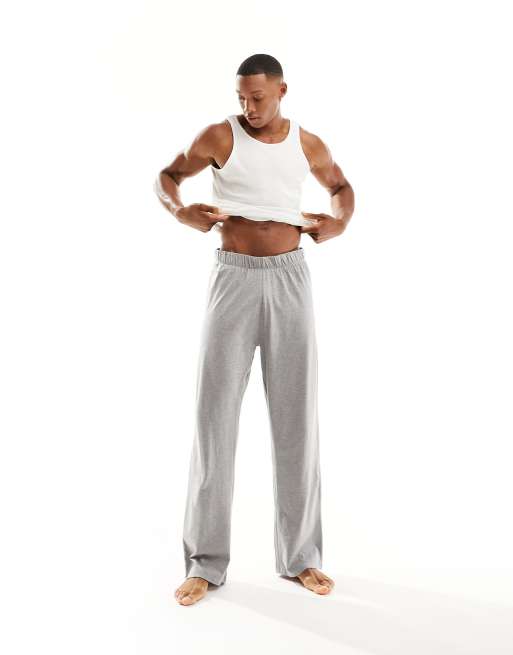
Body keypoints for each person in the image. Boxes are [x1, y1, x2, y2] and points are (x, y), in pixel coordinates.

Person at [154, 53, 355, 606]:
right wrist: (179, 211)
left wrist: (339, 222)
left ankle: (302, 558)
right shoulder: (220, 136)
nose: (250, 107)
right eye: (242, 97)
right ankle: (204, 563)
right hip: (234, 278)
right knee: (214, 418)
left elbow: (341, 186)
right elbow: (169, 176)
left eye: (259, 97)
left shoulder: (306, 143)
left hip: (291, 278)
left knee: (296, 419)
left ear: (282, 91)